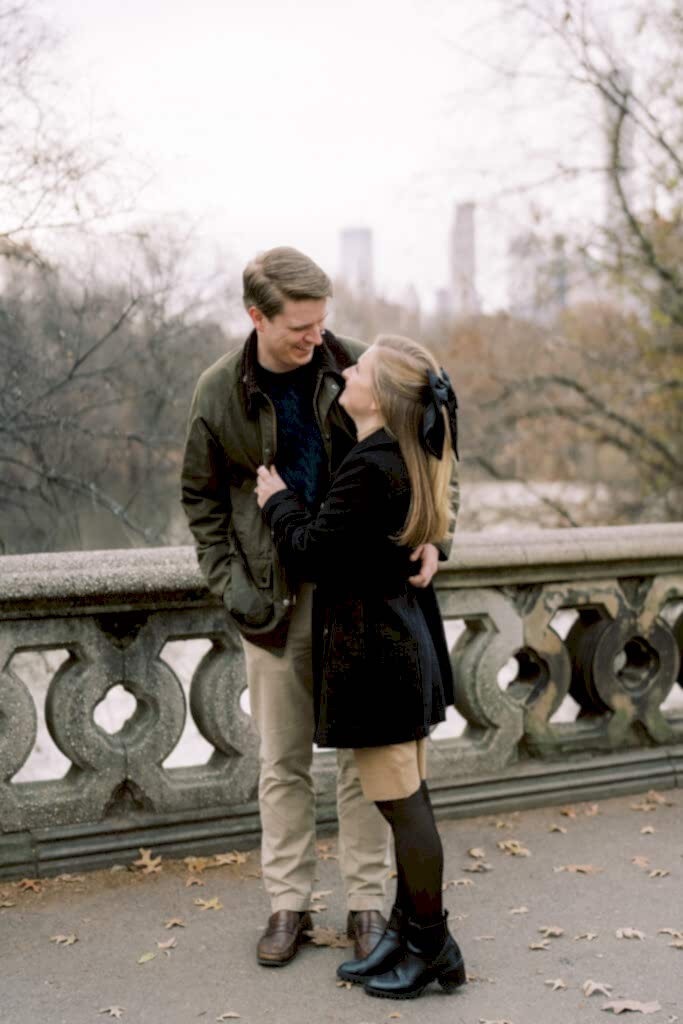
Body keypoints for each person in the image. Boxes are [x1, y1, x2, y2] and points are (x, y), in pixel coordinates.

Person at [181, 248, 454, 968]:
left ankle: (366, 903)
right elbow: (201, 501)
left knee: (362, 762)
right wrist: (237, 594)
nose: (315, 340)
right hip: (274, 603)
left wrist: (437, 537)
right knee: (282, 761)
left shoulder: (360, 367)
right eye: (299, 327)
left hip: (357, 603)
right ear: (256, 317)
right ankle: (288, 904)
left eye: (320, 323)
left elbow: (430, 454)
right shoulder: (219, 391)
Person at [255, 334, 466, 1001]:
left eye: (361, 369)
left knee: (404, 809)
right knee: (410, 802)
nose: (346, 370)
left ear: (383, 395)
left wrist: (276, 500)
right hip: (401, 648)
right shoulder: (400, 451)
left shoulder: (373, 464)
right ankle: (413, 936)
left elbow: (313, 548)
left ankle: (430, 945)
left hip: (377, 660)